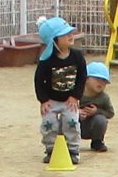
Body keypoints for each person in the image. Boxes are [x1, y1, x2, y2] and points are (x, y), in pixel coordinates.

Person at [33, 16, 91, 163]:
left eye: (71, 32)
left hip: (70, 101)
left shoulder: (77, 56)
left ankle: (73, 150)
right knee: (49, 123)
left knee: (72, 123)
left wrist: (75, 96)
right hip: (51, 100)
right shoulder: (46, 60)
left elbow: (82, 77)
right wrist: (43, 100)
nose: (71, 35)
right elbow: (39, 80)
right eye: (65, 34)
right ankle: (51, 149)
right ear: (54, 40)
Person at [78, 61, 115, 152]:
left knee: (101, 120)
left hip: (91, 126)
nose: (101, 83)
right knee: (65, 117)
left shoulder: (104, 97)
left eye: (104, 81)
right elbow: (64, 106)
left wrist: (96, 111)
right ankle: (67, 142)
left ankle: (97, 141)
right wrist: (76, 112)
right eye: (97, 79)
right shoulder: (76, 93)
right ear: (86, 78)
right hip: (74, 124)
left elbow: (110, 113)